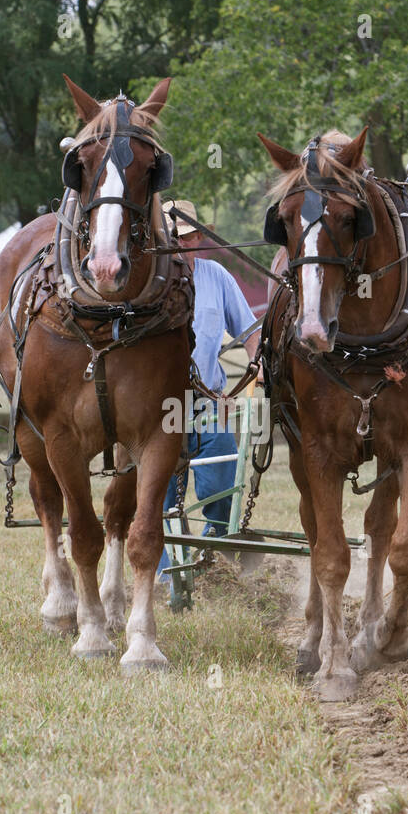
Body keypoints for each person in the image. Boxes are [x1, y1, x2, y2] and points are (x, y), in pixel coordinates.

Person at [157, 199, 261, 580]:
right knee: (160, 494)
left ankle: (210, 561)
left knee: (222, 482)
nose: (178, 246)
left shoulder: (215, 276)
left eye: (184, 238)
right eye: (170, 238)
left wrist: (258, 360)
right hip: (159, 405)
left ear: (198, 238)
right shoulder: (150, 281)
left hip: (208, 400)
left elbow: (249, 329)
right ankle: (168, 576)